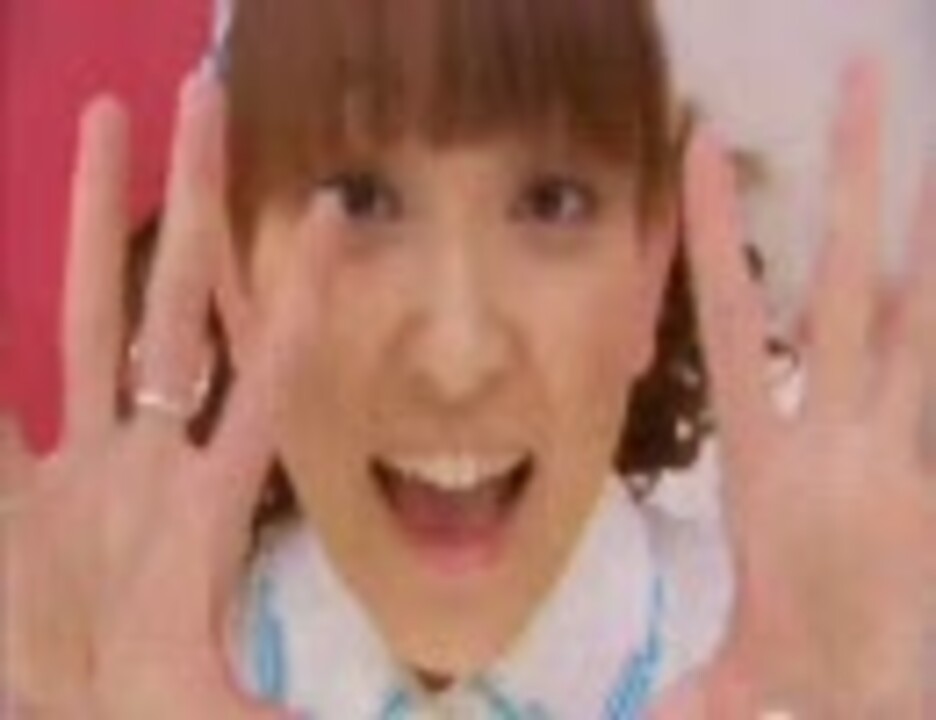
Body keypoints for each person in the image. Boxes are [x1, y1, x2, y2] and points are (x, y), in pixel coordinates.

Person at [1, 0, 933, 717]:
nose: (457, 359)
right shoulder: (122, 673)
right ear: (234, 280)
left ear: (650, 267)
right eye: (361, 199)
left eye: (551, 202)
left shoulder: (806, 658)